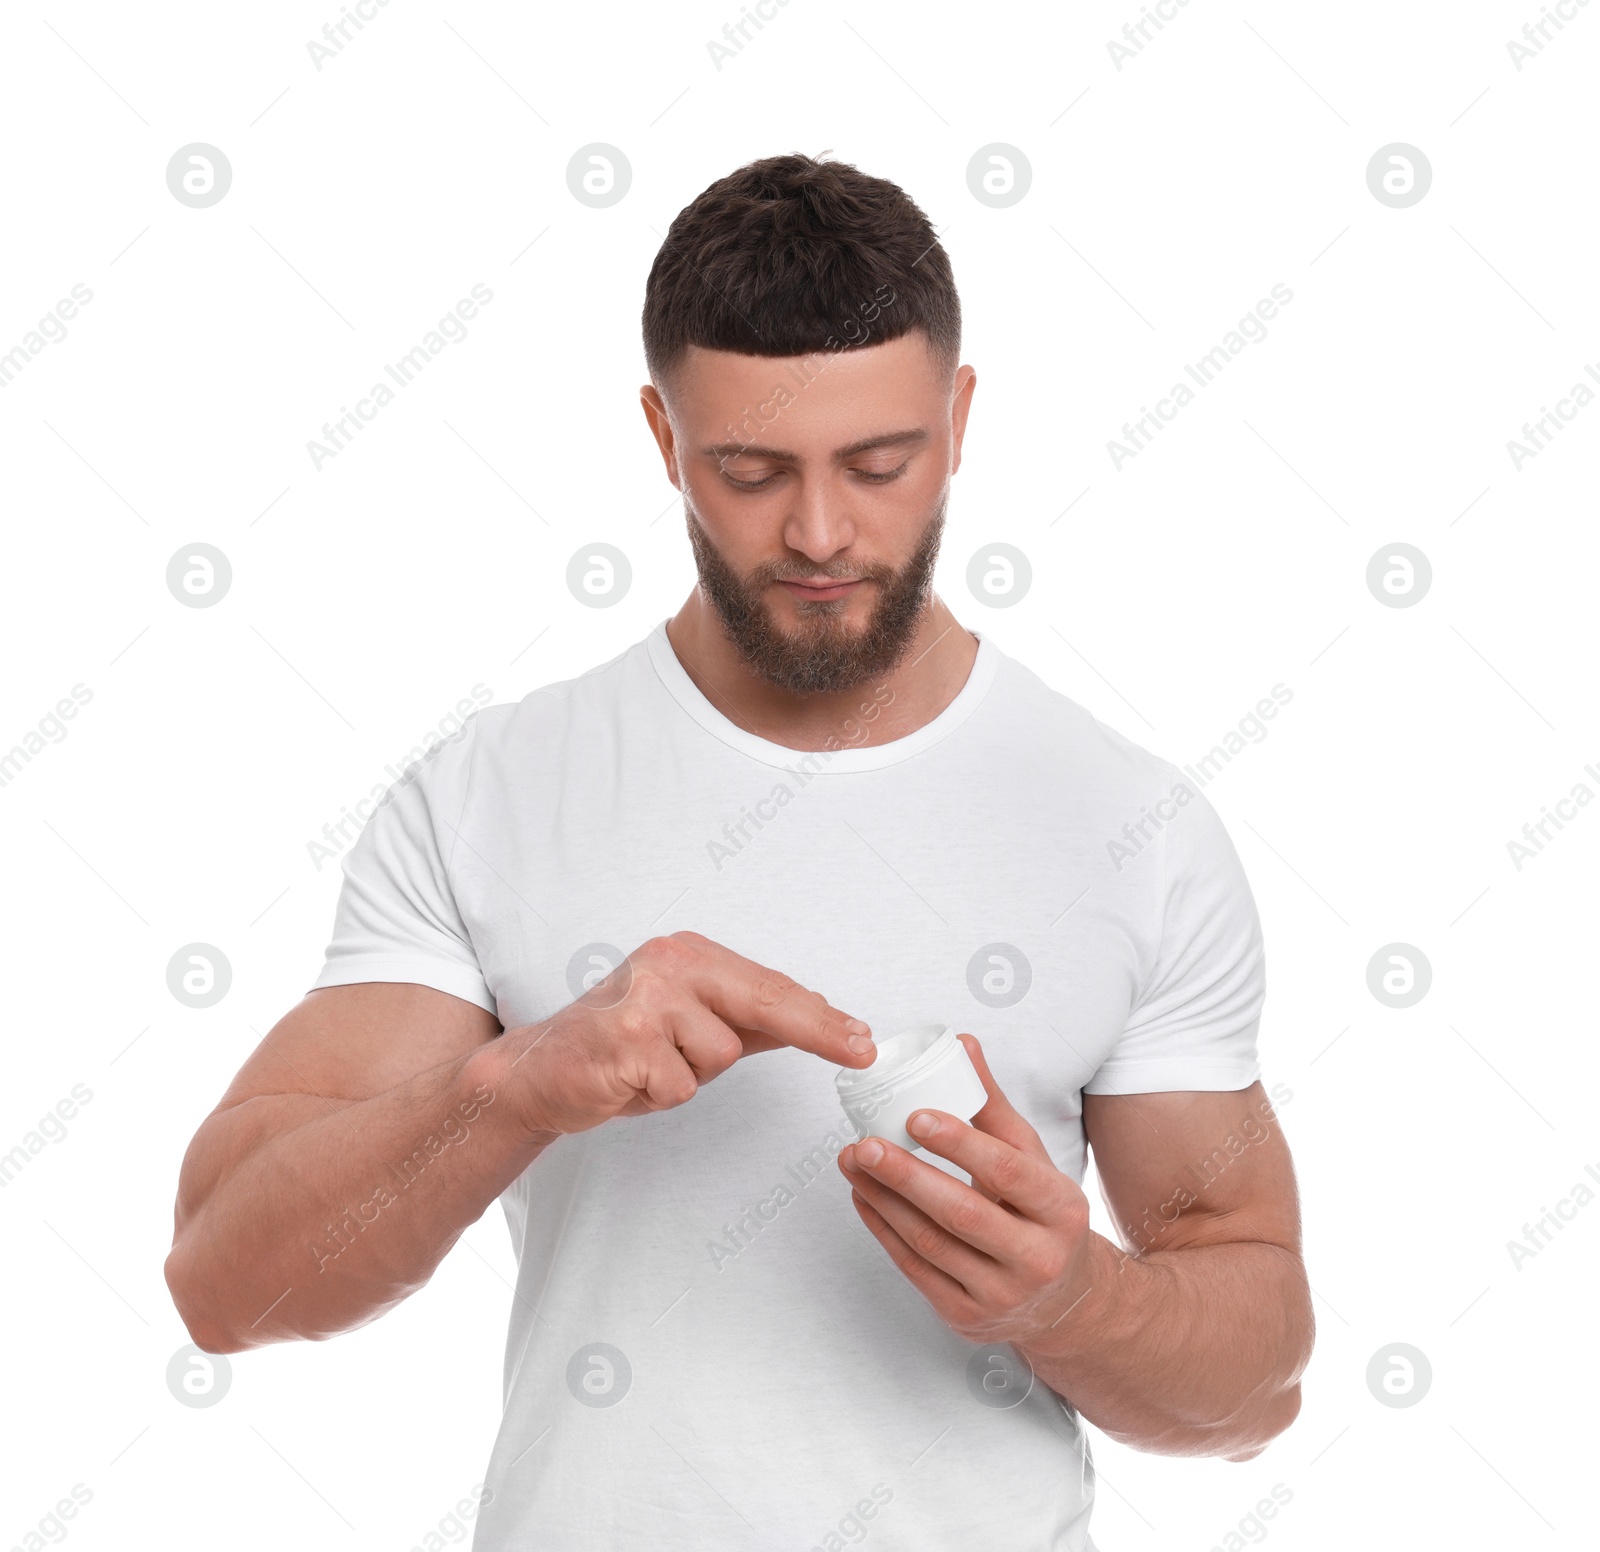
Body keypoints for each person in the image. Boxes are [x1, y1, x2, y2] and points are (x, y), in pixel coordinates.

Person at [163, 152, 1312, 1551]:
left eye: (878, 465)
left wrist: (1070, 1299)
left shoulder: (1133, 830)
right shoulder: (493, 794)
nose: (820, 534)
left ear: (957, 422)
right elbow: (229, 1285)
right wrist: (510, 1091)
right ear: (663, 438)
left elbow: (1256, 1382)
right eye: (751, 470)